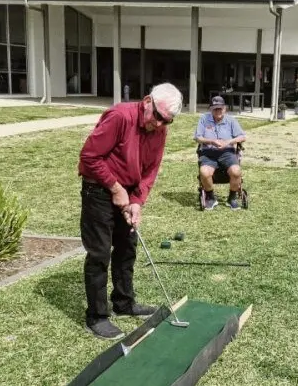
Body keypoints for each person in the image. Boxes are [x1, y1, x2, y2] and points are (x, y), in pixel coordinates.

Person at [77, 82, 183, 340]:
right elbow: (89, 157)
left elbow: (150, 170)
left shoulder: (159, 130)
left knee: (127, 248)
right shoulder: (120, 116)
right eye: (157, 116)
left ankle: (124, 303)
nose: (158, 124)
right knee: (100, 252)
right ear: (147, 101)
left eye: (166, 121)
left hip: (128, 192)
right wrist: (115, 188)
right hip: (99, 190)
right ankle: (97, 316)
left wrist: (137, 201)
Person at [194, 96, 246, 210]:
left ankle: (232, 198)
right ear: (210, 109)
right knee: (204, 172)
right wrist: (211, 141)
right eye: (215, 109)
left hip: (227, 152)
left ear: (225, 109)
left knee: (236, 171)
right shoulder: (204, 119)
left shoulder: (231, 120)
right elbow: (198, 137)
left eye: (220, 108)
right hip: (208, 152)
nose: (218, 111)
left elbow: (242, 137)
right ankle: (211, 198)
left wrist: (228, 141)